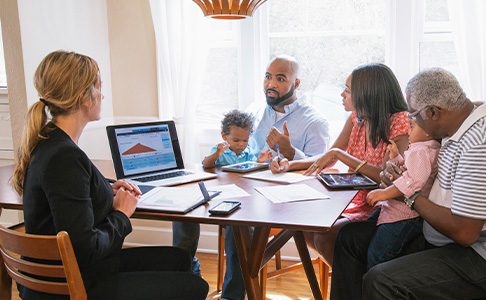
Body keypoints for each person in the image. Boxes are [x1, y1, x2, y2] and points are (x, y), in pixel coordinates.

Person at [11, 50, 209, 300]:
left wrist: (106, 188)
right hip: (73, 286)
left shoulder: (50, 141)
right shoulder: (65, 157)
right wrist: (121, 214)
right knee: (196, 287)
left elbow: (69, 193)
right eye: (98, 86)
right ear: (84, 97)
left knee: (180, 258)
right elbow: (86, 249)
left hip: (65, 275)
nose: (102, 94)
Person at [337, 68, 486, 299]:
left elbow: (465, 232)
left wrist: (407, 195)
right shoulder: (457, 128)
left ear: (432, 112)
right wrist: (398, 168)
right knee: (349, 238)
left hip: (485, 258)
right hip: (445, 237)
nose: (411, 122)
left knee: (382, 280)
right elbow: (423, 170)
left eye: (414, 116)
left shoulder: (482, 144)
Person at [271, 63, 410, 267]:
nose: (341, 94)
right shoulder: (356, 118)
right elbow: (330, 155)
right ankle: (348, 278)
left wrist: (341, 156)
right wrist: (288, 165)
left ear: (367, 94)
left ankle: (353, 282)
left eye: (347, 90)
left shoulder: (399, 122)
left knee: (325, 236)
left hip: (382, 204)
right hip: (352, 197)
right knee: (308, 229)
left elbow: (391, 178)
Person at [221, 55, 329, 300]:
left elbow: (320, 168)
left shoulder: (315, 122)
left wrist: (290, 152)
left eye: (280, 79)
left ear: (296, 83)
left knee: (239, 220)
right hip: (248, 193)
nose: (271, 84)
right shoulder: (254, 113)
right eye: (268, 76)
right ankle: (188, 277)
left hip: (290, 204)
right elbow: (242, 152)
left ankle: (232, 296)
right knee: (207, 211)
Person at [329, 121, 440, 299]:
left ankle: (373, 290)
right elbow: (404, 171)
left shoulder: (422, 150)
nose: (408, 130)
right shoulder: (420, 148)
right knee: (359, 241)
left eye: (413, 126)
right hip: (394, 212)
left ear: (428, 132)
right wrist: (393, 158)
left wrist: (383, 194)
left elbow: (411, 182)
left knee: (378, 255)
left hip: (404, 216)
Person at [202, 109, 271, 168]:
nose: (241, 144)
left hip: (241, 182)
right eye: (236, 140)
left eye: (245, 140)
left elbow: (252, 166)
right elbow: (206, 164)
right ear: (224, 136)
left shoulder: (248, 152)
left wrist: (259, 161)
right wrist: (216, 154)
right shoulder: (219, 150)